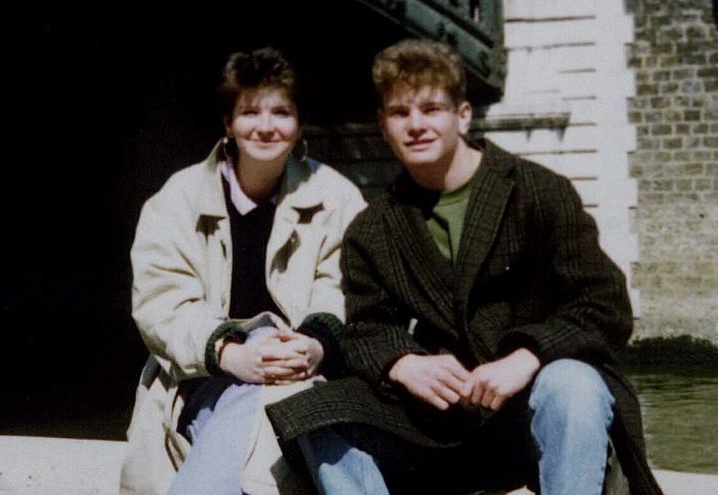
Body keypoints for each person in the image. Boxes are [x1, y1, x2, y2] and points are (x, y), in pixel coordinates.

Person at [266, 39, 663, 495]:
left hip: (534, 410)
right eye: (400, 113)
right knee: (320, 414)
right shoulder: (372, 228)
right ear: (382, 124)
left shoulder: (538, 192)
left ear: (463, 115)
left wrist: (526, 358)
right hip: (444, 423)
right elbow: (365, 327)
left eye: (432, 109)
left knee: (572, 382)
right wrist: (403, 361)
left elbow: (605, 303)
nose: (416, 125)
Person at [119, 47, 366, 495]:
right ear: (227, 124)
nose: (266, 126)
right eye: (249, 112)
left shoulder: (337, 196)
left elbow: (345, 288)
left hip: (303, 373)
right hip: (203, 376)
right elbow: (162, 303)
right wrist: (232, 355)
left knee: (274, 391)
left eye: (281, 112)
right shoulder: (178, 198)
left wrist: (313, 343)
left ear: (300, 124)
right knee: (259, 373)